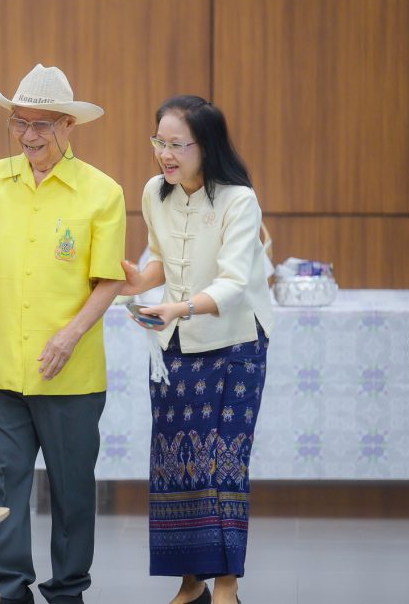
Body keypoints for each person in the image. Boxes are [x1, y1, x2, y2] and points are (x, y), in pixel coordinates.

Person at [0, 64, 126, 604]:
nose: (28, 135)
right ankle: (8, 589)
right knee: (6, 480)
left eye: (41, 124)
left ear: (69, 125)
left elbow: (108, 280)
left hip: (70, 372)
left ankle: (68, 589)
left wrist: (70, 335)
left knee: (71, 489)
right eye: (19, 122)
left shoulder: (102, 192)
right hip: (1, 362)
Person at [122, 95, 272, 604]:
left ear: (205, 146)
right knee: (176, 461)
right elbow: (162, 262)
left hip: (235, 345)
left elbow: (234, 282)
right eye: (158, 142)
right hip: (175, 344)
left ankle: (227, 584)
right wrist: (132, 282)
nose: (164, 154)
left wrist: (179, 308)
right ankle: (191, 582)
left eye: (176, 145)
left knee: (222, 463)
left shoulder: (238, 200)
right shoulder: (154, 193)